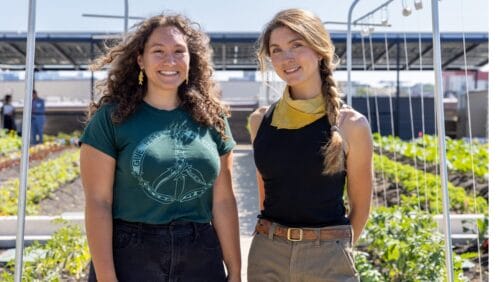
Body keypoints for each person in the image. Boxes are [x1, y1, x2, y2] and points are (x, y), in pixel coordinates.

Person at [79, 13, 241, 282]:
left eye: (179, 51)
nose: (170, 60)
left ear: (192, 60)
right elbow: (98, 203)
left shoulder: (213, 120)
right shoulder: (111, 119)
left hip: (201, 256)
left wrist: (234, 270)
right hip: (131, 256)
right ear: (140, 59)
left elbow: (223, 201)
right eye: (159, 51)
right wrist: (107, 277)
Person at [247, 9, 373, 282]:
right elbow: (266, 199)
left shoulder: (351, 124)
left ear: (319, 50)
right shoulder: (260, 121)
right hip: (266, 254)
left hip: (327, 259)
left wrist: (334, 248)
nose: (286, 58)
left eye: (297, 45)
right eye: (277, 50)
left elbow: (360, 207)